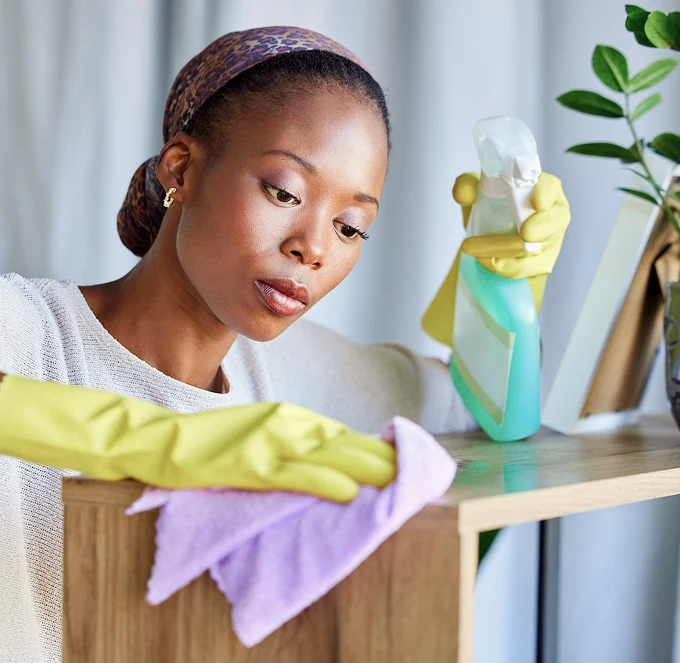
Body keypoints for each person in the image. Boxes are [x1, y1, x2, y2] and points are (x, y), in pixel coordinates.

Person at [0, 27, 570, 663]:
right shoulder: (24, 327)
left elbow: (475, 412)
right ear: (181, 169)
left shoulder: (291, 373)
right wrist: (150, 437)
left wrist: (502, 274)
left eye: (352, 227)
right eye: (284, 192)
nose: (315, 247)